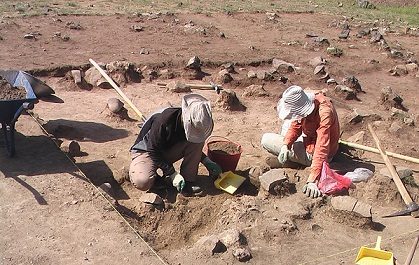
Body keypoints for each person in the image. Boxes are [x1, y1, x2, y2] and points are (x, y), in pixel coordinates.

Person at [129, 93, 222, 197]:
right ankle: (155, 180)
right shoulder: (163, 121)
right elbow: (153, 150)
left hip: (167, 150)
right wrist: (171, 173)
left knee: (198, 141)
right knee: (142, 181)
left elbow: (192, 146)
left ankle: (188, 181)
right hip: (146, 152)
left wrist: (206, 160)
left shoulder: (194, 122)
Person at [261, 85, 340, 198]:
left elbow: (321, 148)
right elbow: (296, 125)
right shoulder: (310, 101)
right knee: (287, 128)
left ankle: (293, 162)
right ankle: (291, 158)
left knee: (266, 140)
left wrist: (313, 180)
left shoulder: (324, 114)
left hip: (317, 155)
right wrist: (286, 145)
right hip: (310, 141)